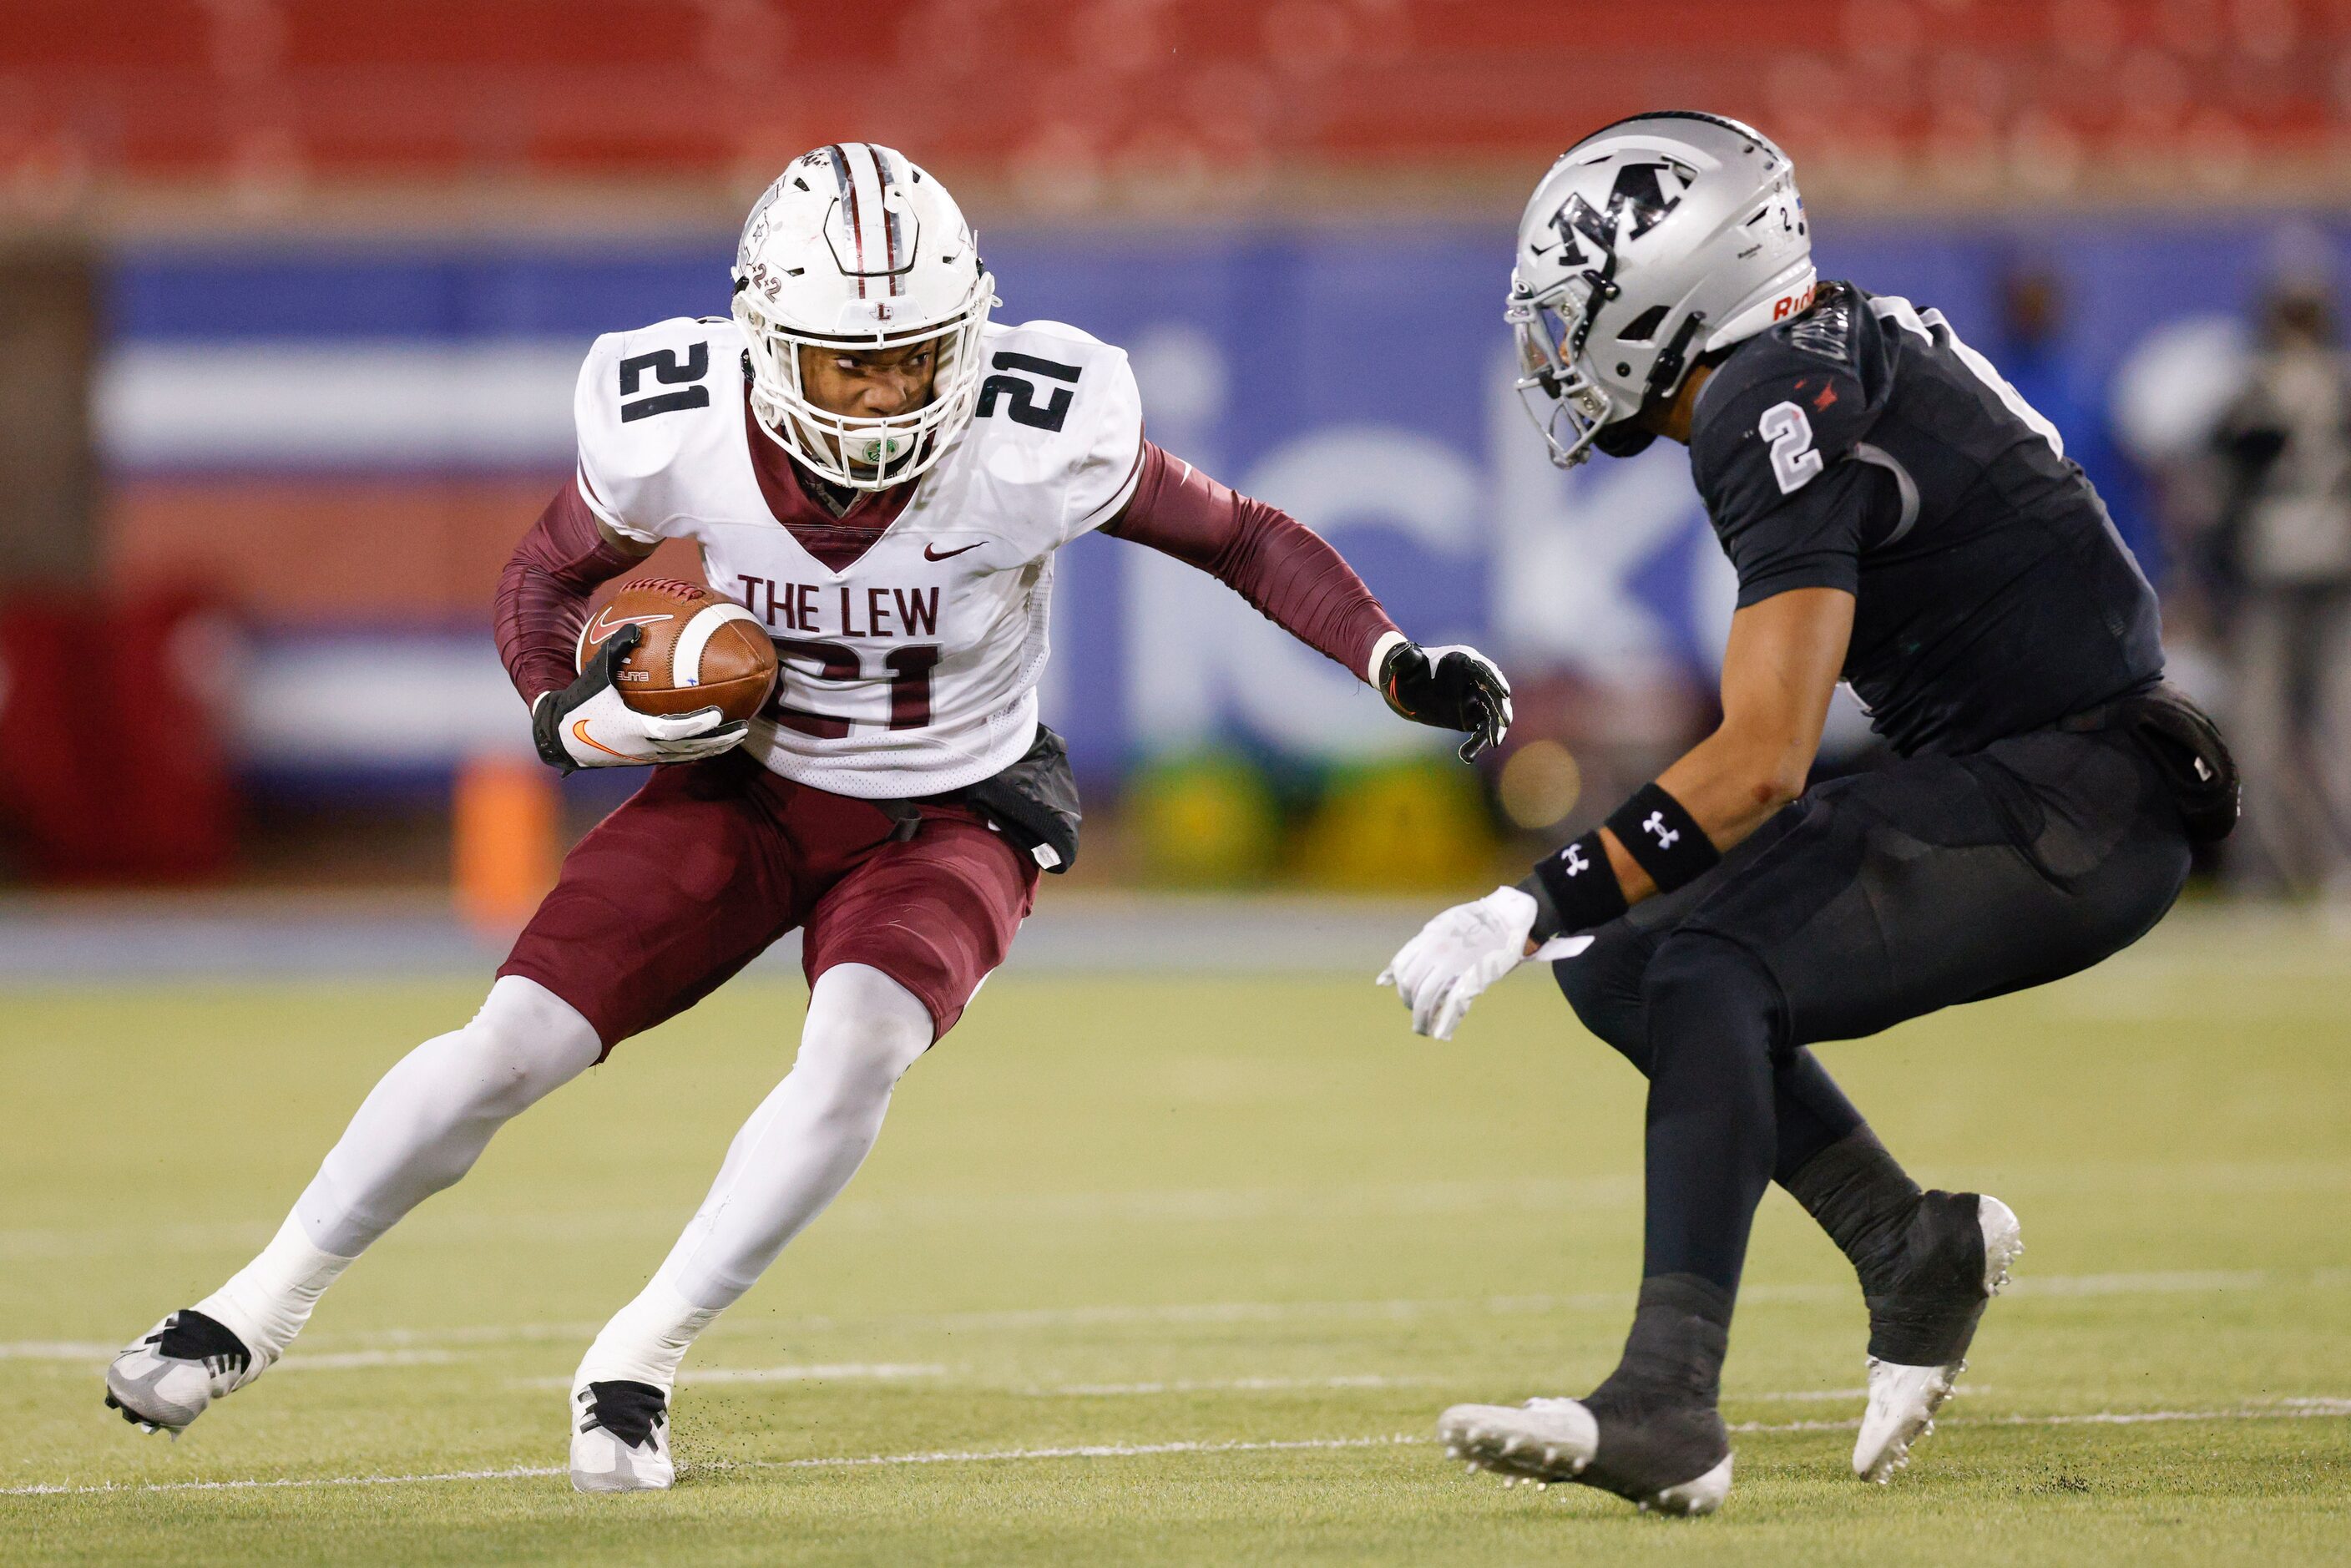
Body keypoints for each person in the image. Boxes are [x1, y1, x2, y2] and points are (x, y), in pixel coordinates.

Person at [104, 142, 1511, 1493]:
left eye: (919, 350)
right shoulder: (679, 420)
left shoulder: (1033, 431)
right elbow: (540, 583)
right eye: (856, 355)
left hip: (953, 803)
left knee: (855, 1049)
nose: (893, 387)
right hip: (748, 783)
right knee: (508, 1045)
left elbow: (1242, 533)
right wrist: (564, 710)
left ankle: (636, 1363)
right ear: (768, 338)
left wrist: (1389, 656)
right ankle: (247, 1309)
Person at [1378, 113, 2236, 1516]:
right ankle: (1908, 1244)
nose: (1558, 346)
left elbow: (1766, 756)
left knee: (1708, 954)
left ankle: (1664, 1397)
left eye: (1580, 310)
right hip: (2054, 770)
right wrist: (1572, 915)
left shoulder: (1773, 396)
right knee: (1626, 964)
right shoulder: (1804, 360)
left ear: (1672, 290)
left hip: (2076, 792)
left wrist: (1526, 895)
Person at [2209, 281, 2351, 896]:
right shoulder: (2265, 392)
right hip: (2299, 573)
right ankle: (2292, 868)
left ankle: (2274, 871)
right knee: (2295, 727)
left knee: (2289, 727)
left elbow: (2218, 494)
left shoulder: (2252, 393)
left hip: (2288, 573)